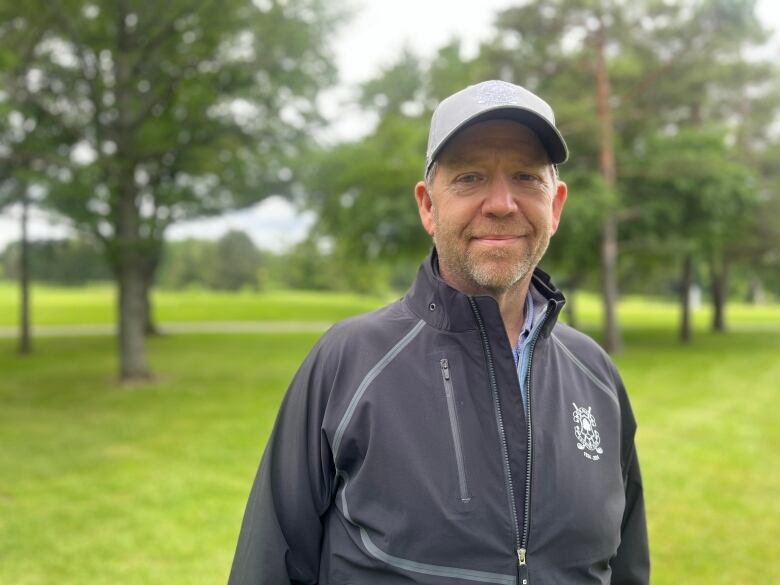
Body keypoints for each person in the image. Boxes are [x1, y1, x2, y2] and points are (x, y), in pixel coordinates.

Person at [228, 80, 649, 585]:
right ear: (428, 206)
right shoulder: (347, 363)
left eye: (524, 177)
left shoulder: (596, 376)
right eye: (470, 178)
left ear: (555, 205)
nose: (501, 203)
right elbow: (268, 568)